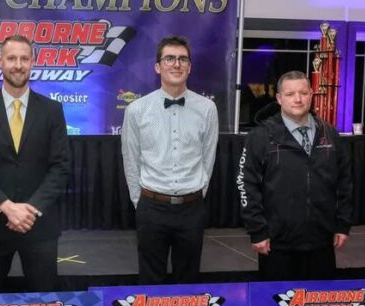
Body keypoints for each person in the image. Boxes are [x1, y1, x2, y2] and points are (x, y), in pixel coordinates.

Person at [0, 35, 71, 293]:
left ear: (33, 62)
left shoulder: (52, 110)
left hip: (40, 228)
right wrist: (8, 208)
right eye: (11, 58)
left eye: (24, 58)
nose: (18, 65)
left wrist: (29, 210)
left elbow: (61, 166)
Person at [237, 70, 353, 281]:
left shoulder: (330, 134)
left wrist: (343, 225)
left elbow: (345, 182)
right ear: (279, 99)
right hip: (277, 242)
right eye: (290, 94)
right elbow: (246, 184)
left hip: (322, 240)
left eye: (303, 92)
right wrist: (257, 230)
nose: (298, 99)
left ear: (311, 95)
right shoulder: (261, 135)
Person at [121, 36, 219, 284]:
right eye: (169, 58)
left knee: (189, 281)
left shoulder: (207, 108)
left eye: (183, 59)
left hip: (192, 208)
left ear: (190, 66)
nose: (176, 64)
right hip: (151, 207)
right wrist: (140, 202)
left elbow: (208, 159)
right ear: (158, 66)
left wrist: (196, 196)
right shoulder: (137, 110)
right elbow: (131, 160)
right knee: (150, 280)